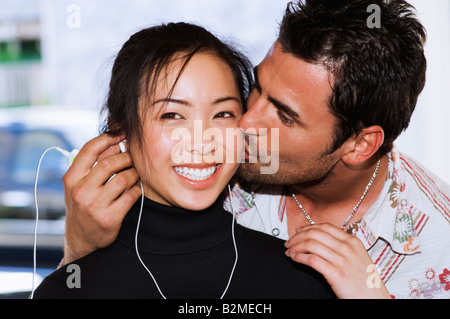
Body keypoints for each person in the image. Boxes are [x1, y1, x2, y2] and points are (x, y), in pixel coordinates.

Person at [62, 0, 450, 299]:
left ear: (359, 144)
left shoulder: (439, 240)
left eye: (283, 115)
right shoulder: (213, 175)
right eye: (256, 89)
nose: (243, 124)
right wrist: (78, 250)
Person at [33, 22, 336, 299]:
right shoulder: (71, 288)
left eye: (223, 114)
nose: (203, 141)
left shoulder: (300, 278)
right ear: (120, 130)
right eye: (172, 115)